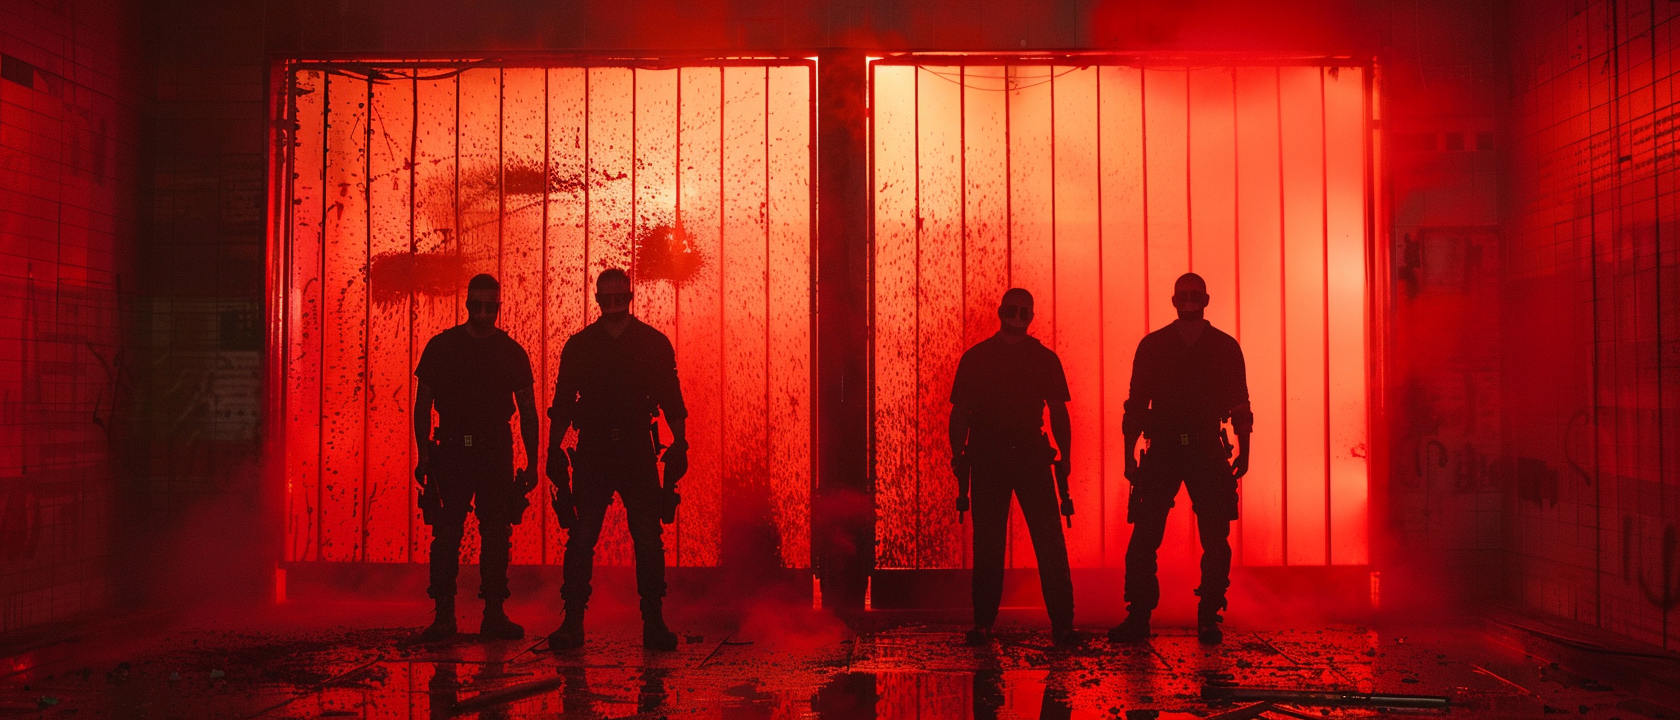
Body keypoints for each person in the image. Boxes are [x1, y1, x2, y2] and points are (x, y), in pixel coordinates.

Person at [546, 268, 688, 651]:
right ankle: (573, 622)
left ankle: (653, 621)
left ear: (628, 296)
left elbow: (672, 398)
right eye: (604, 299)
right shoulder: (581, 346)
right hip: (595, 449)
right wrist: (552, 448)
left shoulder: (651, 344)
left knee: (645, 537)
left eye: (617, 298)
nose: (611, 306)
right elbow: (562, 403)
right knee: (582, 537)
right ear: (596, 298)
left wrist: (681, 444)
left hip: (635, 448)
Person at [1108, 272, 1252, 646]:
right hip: (1169, 446)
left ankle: (1207, 617)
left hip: (1203, 444)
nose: (1188, 300)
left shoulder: (1222, 347)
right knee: (1145, 535)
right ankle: (1140, 615)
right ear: (1174, 301)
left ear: (1205, 300)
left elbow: (1240, 403)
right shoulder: (1155, 346)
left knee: (1215, 538)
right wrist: (1128, 455)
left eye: (1194, 295)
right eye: (1183, 295)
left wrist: (1246, 448)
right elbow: (1136, 405)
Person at [411, 273, 540, 643]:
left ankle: (490, 614)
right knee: (449, 533)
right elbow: (422, 405)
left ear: (497, 308)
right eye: (477, 306)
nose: (483, 314)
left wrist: (533, 461)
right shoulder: (443, 347)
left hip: (489, 449)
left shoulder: (505, 352)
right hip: (454, 448)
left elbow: (528, 411)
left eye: (489, 307)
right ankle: (448, 617)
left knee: (494, 534)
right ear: (468, 305)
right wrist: (423, 455)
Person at [949, 288, 1079, 647]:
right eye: (1013, 310)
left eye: (1024, 311)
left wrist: (1066, 457)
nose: (1018, 316)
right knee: (996, 543)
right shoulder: (997, 358)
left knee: (1045, 540)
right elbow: (959, 412)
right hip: (1002, 455)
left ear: (1030, 316)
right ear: (1001, 311)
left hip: (1018, 454)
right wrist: (958, 455)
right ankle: (993, 623)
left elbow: (1058, 411)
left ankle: (1059, 623)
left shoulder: (986, 357)